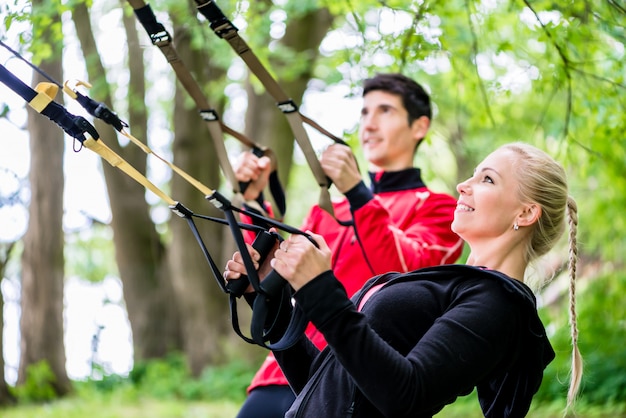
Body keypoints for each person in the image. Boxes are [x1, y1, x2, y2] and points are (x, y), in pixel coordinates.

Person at [225, 142, 583, 417]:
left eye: (487, 179)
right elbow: (331, 387)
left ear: (525, 212)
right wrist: (267, 299)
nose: (463, 185)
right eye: (472, 174)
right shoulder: (453, 283)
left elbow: (406, 398)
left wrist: (320, 287)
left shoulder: (498, 304)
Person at [234, 73, 465, 417]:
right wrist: (252, 205)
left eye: (385, 111)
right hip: (283, 367)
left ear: (420, 126)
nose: (369, 125)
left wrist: (358, 193)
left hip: (353, 382)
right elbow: (277, 274)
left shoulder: (439, 207)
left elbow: (404, 273)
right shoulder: (330, 210)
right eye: (365, 113)